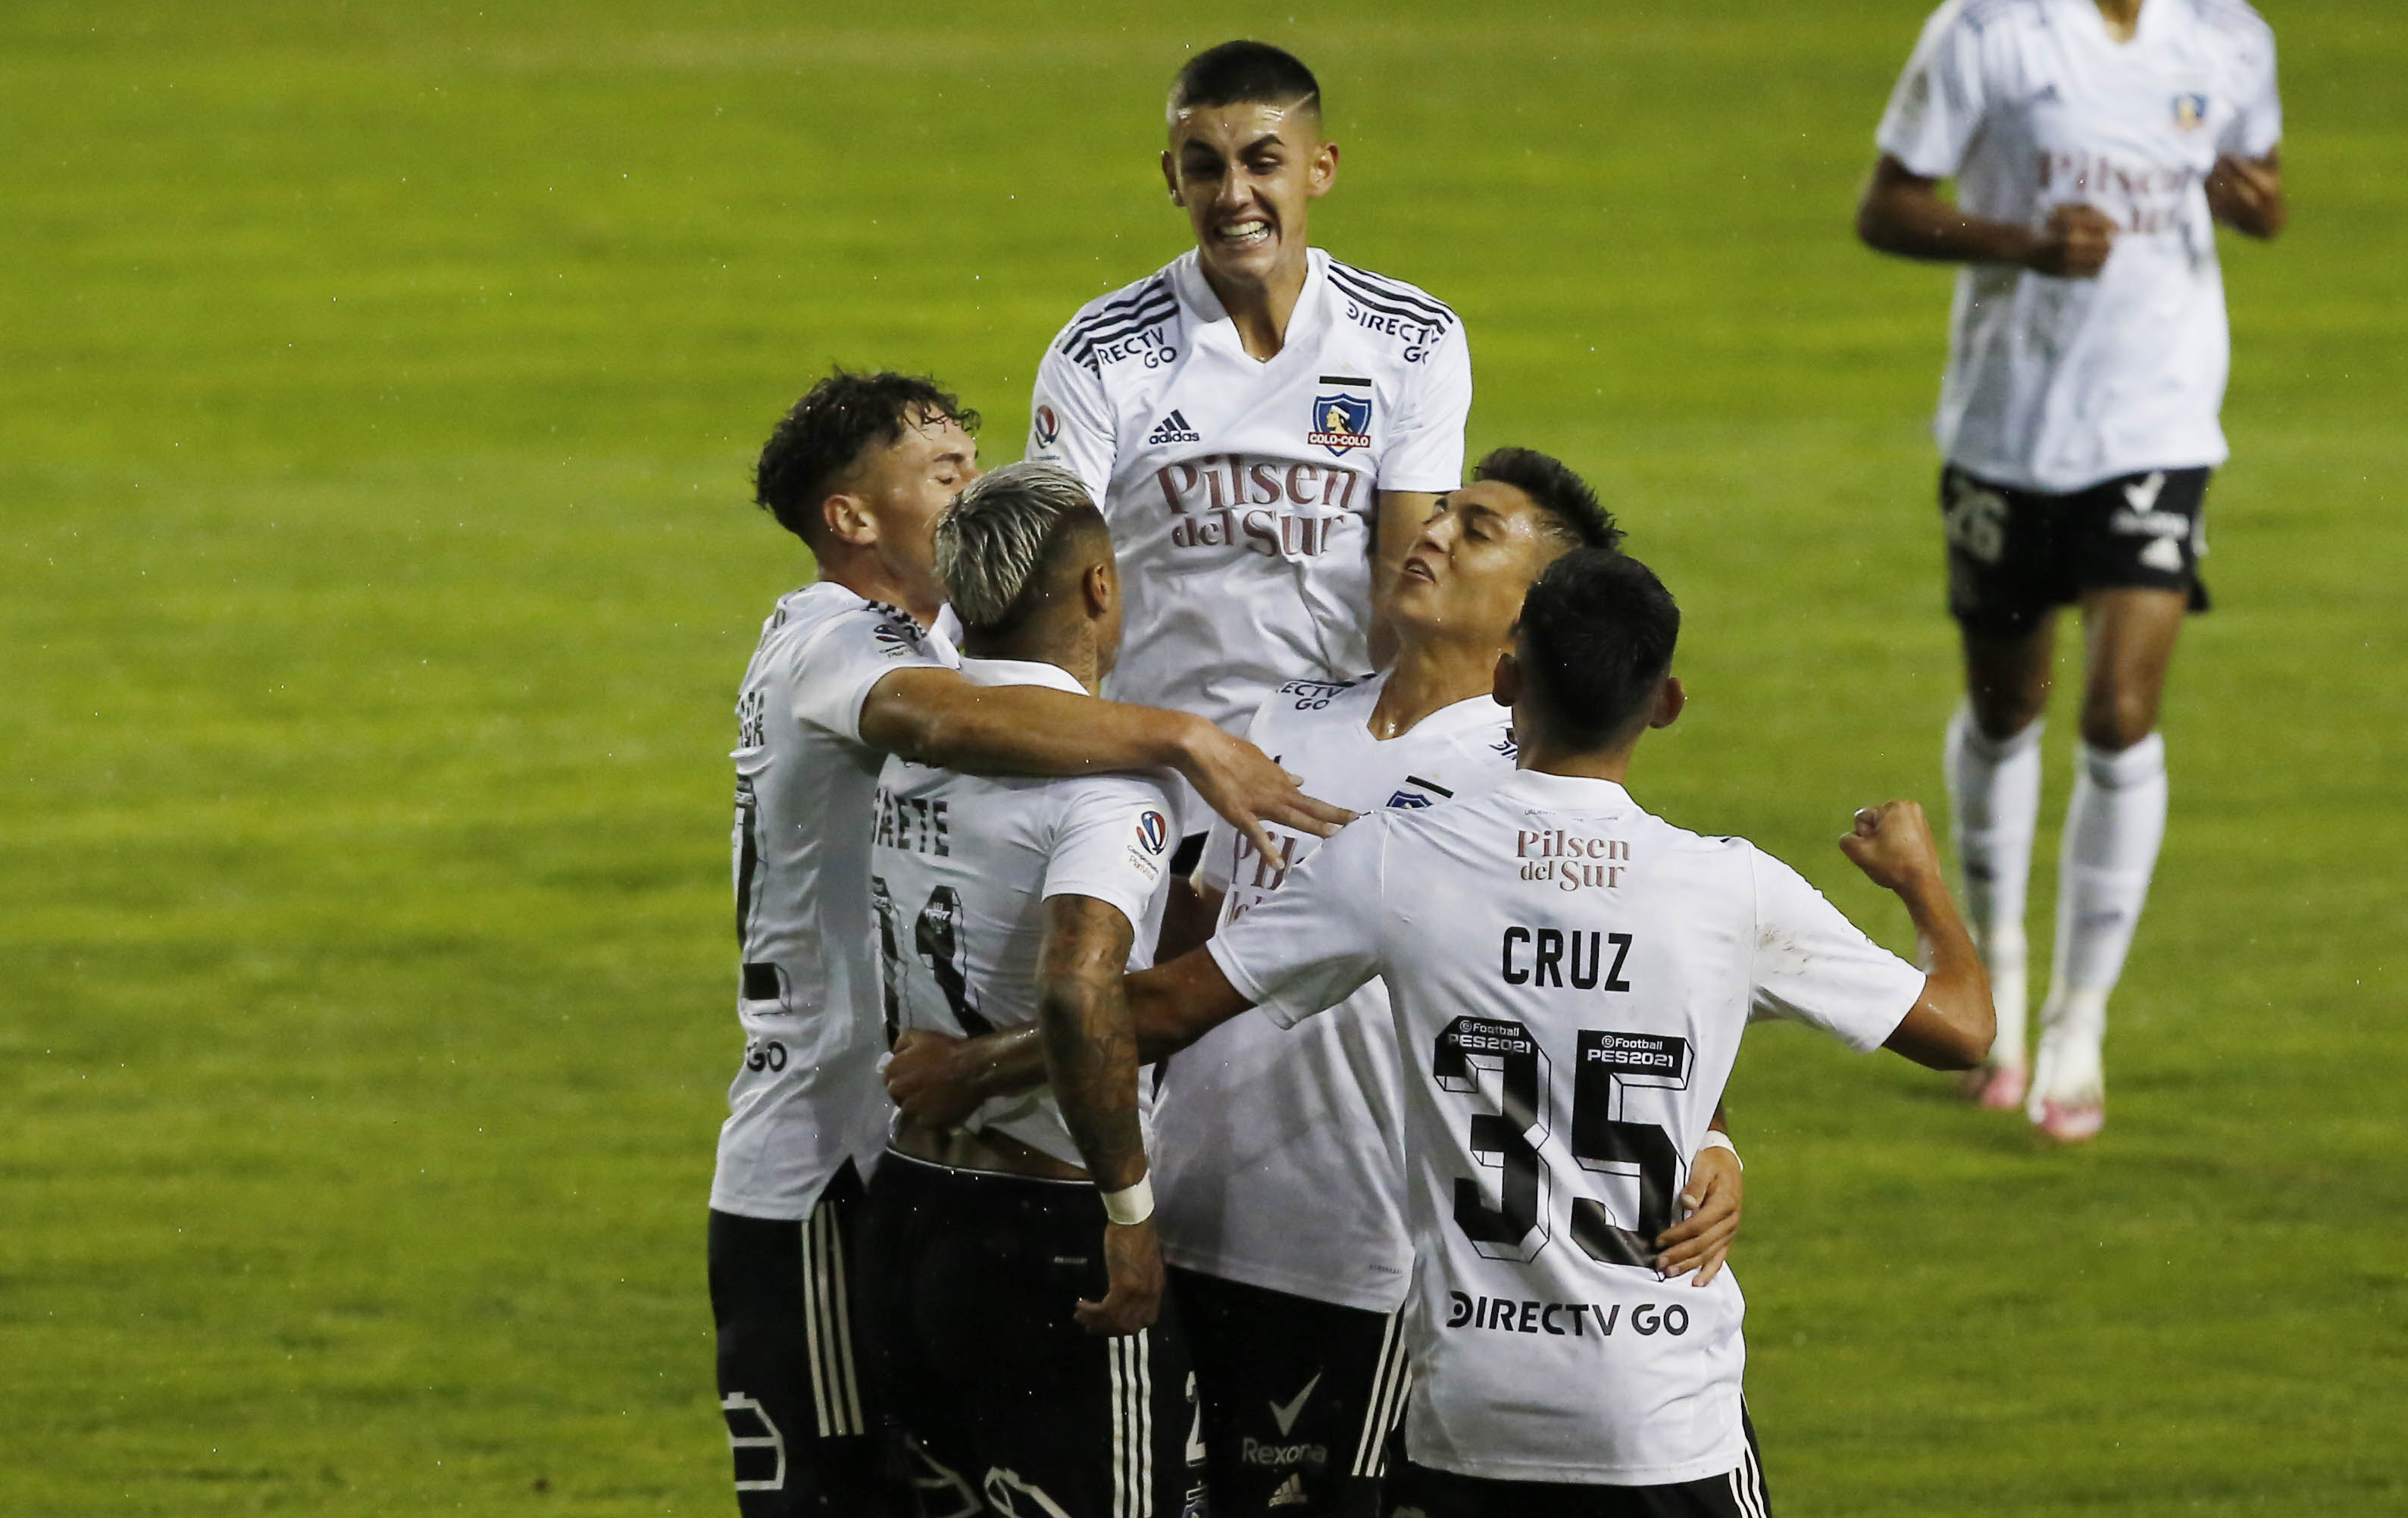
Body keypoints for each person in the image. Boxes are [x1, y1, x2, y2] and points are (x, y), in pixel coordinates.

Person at [902, 550, 1991, 1514]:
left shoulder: (1401, 861)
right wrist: (1921, 885)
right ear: (1665, 704)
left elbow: (1153, 1008)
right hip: (1663, 1418)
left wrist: (981, 1067)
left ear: (1509, 679)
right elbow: (1961, 1029)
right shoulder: (1731, 891)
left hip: (1473, 1410)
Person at [711, 372, 1345, 1516]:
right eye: (945, 475)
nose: (972, 493)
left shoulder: (924, 648)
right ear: (852, 520)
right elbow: (947, 720)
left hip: (900, 1166)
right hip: (813, 1162)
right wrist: (1183, 739)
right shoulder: (844, 647)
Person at [1853, 0, 2285, 1140]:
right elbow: (1884, 206)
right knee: (2003, 711)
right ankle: (2004, 981)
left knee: (2116, 713)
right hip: (2007, 425)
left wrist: (2253, 203)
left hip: (2155, 422)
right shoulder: (1990, 25)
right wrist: (2019, 243)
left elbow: (2257, 190)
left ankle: (2079, 1026)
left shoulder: (2224, 35)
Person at [1025, 39, 1475, 880]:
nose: (1235, 196)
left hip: (1333, 789)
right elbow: (1054, 599)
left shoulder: (1410, 339)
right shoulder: (1103, 353)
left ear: (1321, 167)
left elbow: (1408, 591)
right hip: (1157, 783)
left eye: (1263, 163)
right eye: (1205, 168)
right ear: (1172, 179)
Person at [866, 463, 1195, 1517]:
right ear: (1099, 588)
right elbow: (1075, 991)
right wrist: (1129, 1212)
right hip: (1048, 1228)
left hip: (911, 1204)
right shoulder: (1107, 785)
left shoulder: (906, 754)